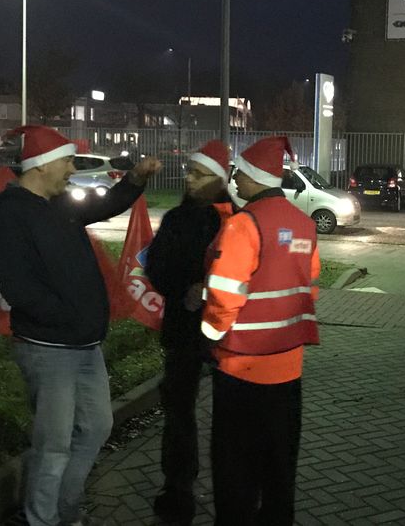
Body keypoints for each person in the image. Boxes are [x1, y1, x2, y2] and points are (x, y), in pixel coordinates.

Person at [0, 125, 161, 526]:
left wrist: (135, 179)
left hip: (84, 344)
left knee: (97, 427)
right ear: (42, 166)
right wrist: (70, 317)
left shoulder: (59, 202)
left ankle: (64, 509)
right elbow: (20, 288)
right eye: (66, 160)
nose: (72, 168)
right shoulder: (11, 214)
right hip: (48, 347)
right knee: (54, 446)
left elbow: (103, 206)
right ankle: (41, 519)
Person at [201, 136, 321, 526]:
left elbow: (224, 295)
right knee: (279, 468)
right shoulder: (303, 223)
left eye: (238, 173)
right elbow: (310, 283)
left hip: (241, 371)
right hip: (289, 370)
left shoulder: (243, 225)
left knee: (235, 471)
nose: (234, 179)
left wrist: (210, 335)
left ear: (252, 178)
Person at [145, 140, 235, 523]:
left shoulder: (236, 219)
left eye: (198, 174)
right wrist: (181, 288)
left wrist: (211, 289)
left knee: (229, 416)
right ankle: (178, 485)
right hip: (183, 330)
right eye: (190, 172)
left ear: (219, 179)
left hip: (227, 333)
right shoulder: (176, 220)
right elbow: (156, 266)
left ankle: (232, 489)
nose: (189, 179)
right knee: (179, 411)